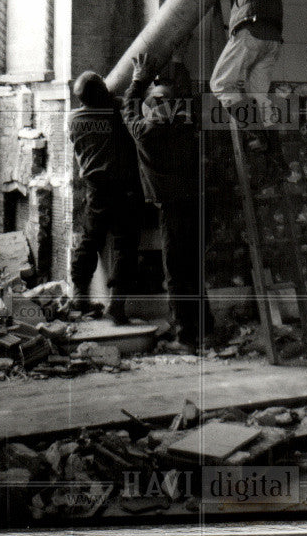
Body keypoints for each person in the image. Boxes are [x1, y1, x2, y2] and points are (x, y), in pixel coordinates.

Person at [122, 52, 214, 352]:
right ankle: (206, 329)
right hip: (198, 205)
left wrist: (138, 79)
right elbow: (185, 93)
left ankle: (185, 338)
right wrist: (177, 59)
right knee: (194, 269)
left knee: (175, 273)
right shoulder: (187, 124)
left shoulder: (145, 132)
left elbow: (127, 109)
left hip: (172, 209)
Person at [206, 0, 288, 176]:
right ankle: (276, 154)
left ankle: (256, 134)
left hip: (252, 32)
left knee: (220, 84)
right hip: (272, 38)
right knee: (259, 96)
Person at [67, 70, 142, 324]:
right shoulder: (114, 114)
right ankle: (117, 306)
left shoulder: (74, 119)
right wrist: (137, 80)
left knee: (89, 242)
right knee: (125, 246)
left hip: (95, 190)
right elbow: (129, 105)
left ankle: (80, 299)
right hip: (125, 190)